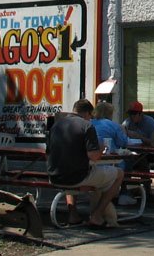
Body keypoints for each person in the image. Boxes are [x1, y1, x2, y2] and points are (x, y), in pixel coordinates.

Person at [47, 98, 124, 228]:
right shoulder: (87, 126)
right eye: (90, 116)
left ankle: (73, 215)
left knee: (72, 170)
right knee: (119, 174)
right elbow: (93, 156)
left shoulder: (56, 125)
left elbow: (47, 154)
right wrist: (101, 148)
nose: (91, 118)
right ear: (87, 113)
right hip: (78, 177)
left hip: (54, 176)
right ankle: (97, 215)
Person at [91, 101, 136, 206]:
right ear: (109, 113)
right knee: (128, 162)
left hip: (92, 162)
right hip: (109, 161)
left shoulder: (90, 123)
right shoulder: (113, 125)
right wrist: (123, 131)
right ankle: (124, 194)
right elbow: (123, 142)